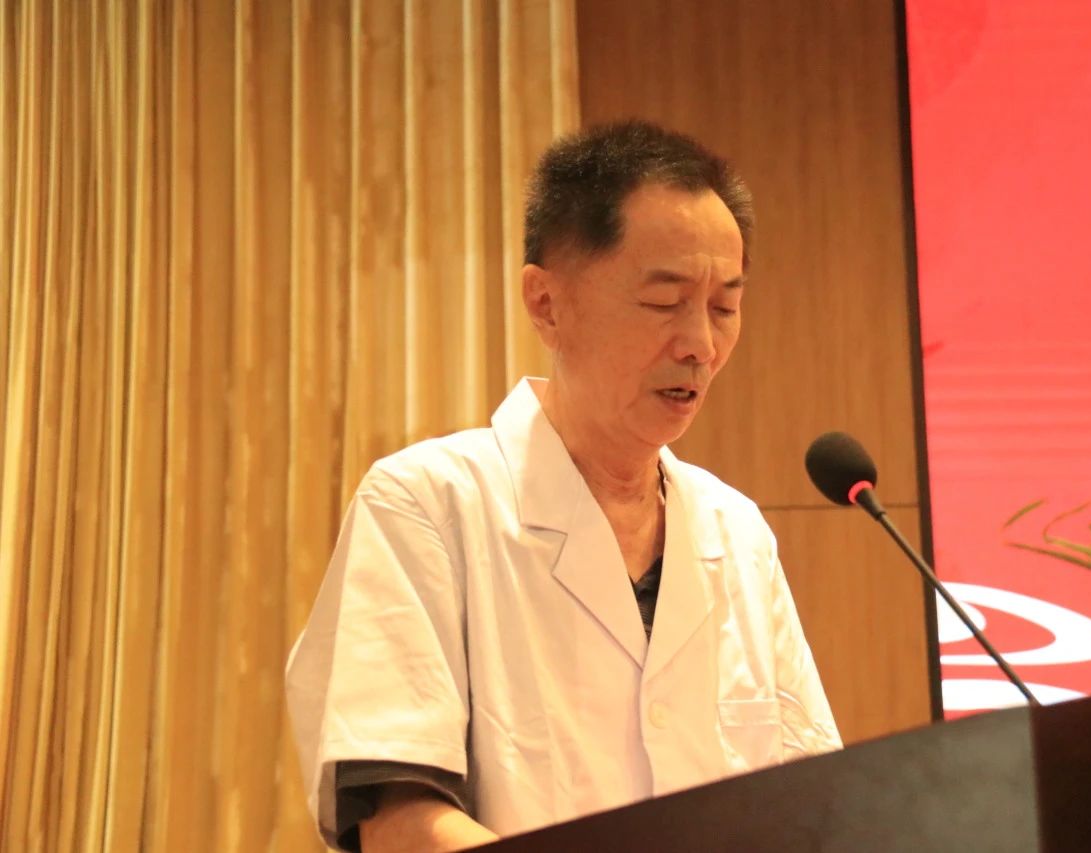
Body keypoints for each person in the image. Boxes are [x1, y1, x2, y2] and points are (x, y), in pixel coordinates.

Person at [285, 120, 842, 853]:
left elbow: (813, 800)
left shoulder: (737, 533)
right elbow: (397, 821)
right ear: (546, 302)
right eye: (664, 301)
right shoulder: (425, 505)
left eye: (724, 308)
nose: (701, 345)